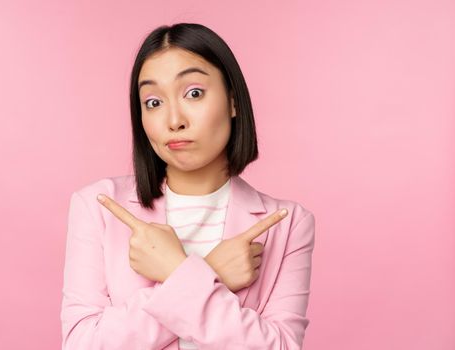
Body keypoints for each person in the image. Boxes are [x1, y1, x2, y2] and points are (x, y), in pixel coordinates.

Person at [60, 22, 316, 350]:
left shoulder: (289, 223)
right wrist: (209, 273)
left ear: (233, 101)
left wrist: (178, 271)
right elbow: (82, 345)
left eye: (193, 93)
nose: (174, 120)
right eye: (153, 102)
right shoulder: (97, 207)